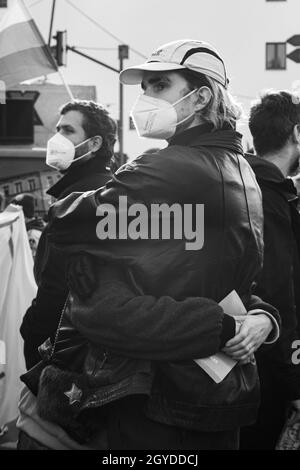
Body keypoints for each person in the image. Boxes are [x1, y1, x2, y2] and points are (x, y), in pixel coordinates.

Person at [19, 40, 280, 450]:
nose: (145, 97)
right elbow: (236, 279)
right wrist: (261, 316)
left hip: (157, 398)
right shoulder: (241, 168)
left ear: (202, 97)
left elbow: (69, 226)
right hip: (216, 393)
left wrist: (68, 215)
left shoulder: (169, 166)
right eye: (144, 88)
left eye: (159, 85)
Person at [19, 100, 117, 370]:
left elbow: (60, 282)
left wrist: (34, 328)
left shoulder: (84, 198)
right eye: (57, 129)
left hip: (62, 346)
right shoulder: (97, 189)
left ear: (94, 144)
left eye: (68, 130)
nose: (57, 139)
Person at [240, 90, 300, 449]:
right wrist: (294, 381)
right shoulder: (269, 194)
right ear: (296, 133)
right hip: (265, 370)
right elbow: (279, 291)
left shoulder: (244, 183)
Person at [10, 193, 46, 259]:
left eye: (15, 212)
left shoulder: (31, 234)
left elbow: (32, 263)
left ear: (22, 213)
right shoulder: (39, 226)